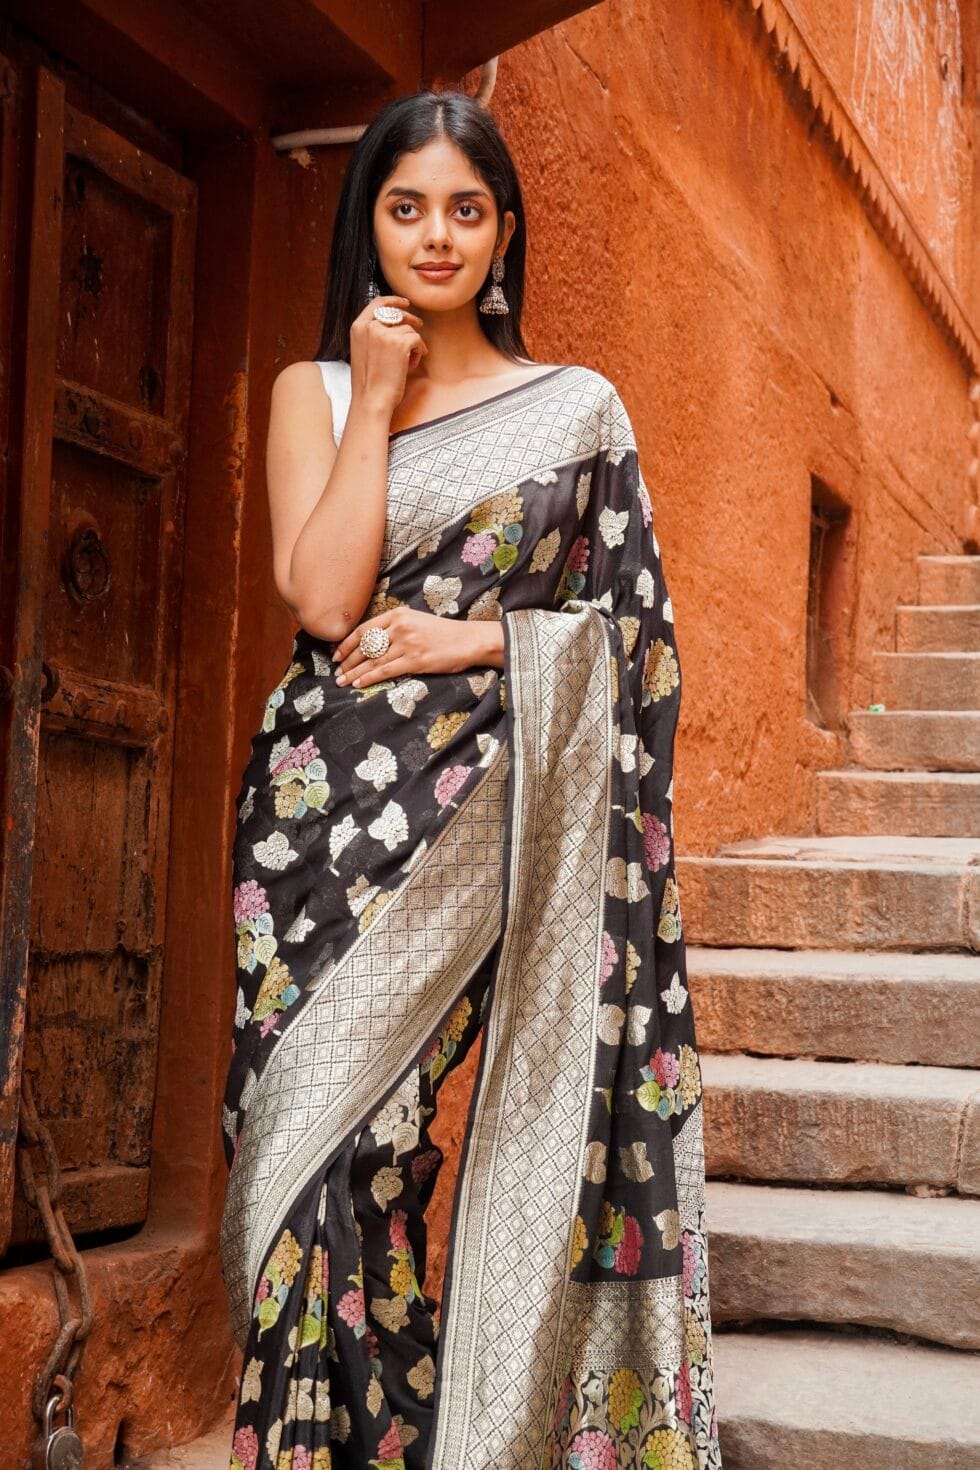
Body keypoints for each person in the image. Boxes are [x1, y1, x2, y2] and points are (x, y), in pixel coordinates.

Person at [219, 88, 723, 1470]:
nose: (435, 236)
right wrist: (376, 398)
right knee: (290, 1170)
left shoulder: (578, 413)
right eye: (406, 208)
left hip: (478, 821)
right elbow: (325, 603)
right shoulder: (317, 392)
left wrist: (476, 637)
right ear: (369, 224)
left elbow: (636, 640)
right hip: (309, 834)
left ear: (504, 233)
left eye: (465, 209)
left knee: (378, 1150)